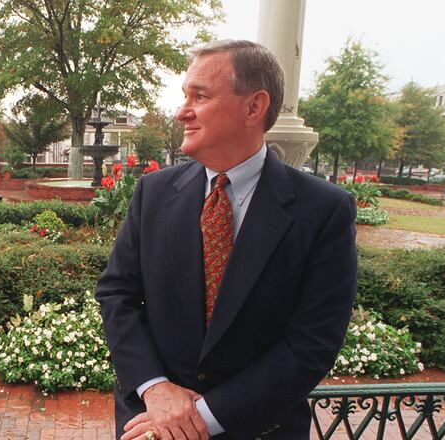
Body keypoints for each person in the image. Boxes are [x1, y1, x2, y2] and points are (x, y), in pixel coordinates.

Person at [95, 40, 357, 440]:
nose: (182, 111)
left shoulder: (322, 210)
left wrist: (203, 417)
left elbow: (312, 342)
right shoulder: (153, 192)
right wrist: (154, 387)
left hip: (259, 428)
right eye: (185, 96)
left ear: (254, 107)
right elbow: (117, 294)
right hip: (151, 426)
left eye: (199, 96)